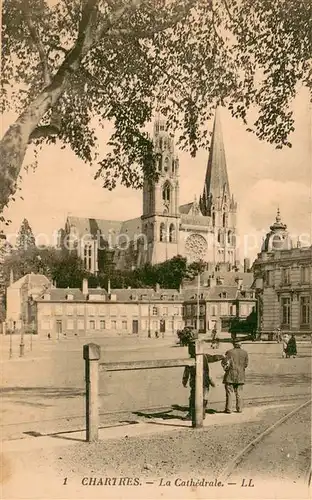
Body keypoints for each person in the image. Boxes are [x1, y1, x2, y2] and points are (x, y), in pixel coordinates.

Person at [182, 352, 215, 420]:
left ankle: (191, 415)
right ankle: (202, 414)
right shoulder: (205, 356)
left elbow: (186, 372)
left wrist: (184, 382)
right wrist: (223, 356)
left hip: (195, 382)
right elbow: (214, 358)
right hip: (205, 380)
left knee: (193, 398)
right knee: (204, 397)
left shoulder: (191, 359)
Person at [222, 340, 249, 414]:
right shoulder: (245, 353)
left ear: (233, 344)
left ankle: (229, 409)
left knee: (229, 393)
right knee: (239, 392)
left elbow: (224, 363)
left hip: (230, 375)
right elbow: (246, 365)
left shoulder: (229, 352)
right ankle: (239, 408)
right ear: (240, 345)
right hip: (240, 375)